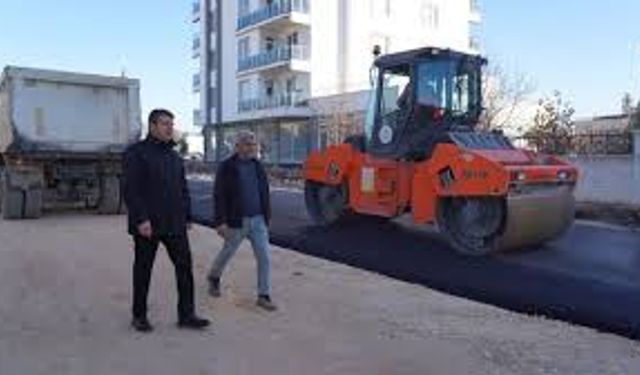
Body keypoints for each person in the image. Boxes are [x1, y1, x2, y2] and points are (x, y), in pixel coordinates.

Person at [123, 108, 210, 332]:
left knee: (184, 268)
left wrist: (188, 216)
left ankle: (187, 315)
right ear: (152, 126)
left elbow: (182, 189)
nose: (170, 128)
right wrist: (141, 219)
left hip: (174, 223)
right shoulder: (136, 153)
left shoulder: (174, 156)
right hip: (148, 225)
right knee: (143, 270)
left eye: (171, 124)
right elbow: (131, 190)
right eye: (165, 124)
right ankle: (139, 316)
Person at [207, 130, 277, 311]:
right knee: (227, 252)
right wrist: (220, 221)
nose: (252, 147)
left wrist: (266, 215)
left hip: (258, 220)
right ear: (238, 146)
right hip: (237, 220)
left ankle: (263, 295)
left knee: (265, 257)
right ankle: (214, 277)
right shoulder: (226, 167)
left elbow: (264, 192)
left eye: (254, 144)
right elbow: (219, 195)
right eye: (248, 144)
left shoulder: (258, 166)